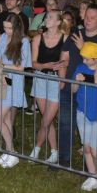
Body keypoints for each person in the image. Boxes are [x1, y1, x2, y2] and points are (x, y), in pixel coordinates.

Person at [57, 4, 97, 169]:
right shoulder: (76, 33)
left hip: (92, 93)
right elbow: (64, 56)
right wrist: (62, 78)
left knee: (91, 126)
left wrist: (84, 47)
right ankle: (64, 160)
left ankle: (92, 168)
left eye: (92, 18)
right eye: (86, 17)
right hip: (72, 84)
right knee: (65, 123)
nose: (88, 20)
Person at [0, 13, 31, 168]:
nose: (7, 31)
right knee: (5, 119)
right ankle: (8, 151)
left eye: (10, 28)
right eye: (5, 28)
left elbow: (21, 67)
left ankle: (12, 153)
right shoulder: (2, 38)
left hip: (14, 83)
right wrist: (0, 65)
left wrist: (3, 65)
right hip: (1, 80)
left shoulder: (24, 41)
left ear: (17, 28)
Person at [72, 42, 97, 193]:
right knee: (87, 147)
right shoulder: (80, 68)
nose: (84, 61)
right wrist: (76, 81)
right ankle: (92, 175)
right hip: (83, 112)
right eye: (83, 58)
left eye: (87, 58)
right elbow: (73, 89)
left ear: (96, 59)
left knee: (96, 150)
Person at [29, 9, 65, 163]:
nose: (46, 19)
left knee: (47, 119)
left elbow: (67, 61)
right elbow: (33, 63)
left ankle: (36, 149)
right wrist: (45, 65)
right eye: (46, 17)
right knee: (46, 117)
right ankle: (54, 151)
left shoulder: (65, 38)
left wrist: (63, 78)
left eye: (50, 17)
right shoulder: (38, 38)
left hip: (56, 80)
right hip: (40, 79)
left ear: (58, 22)